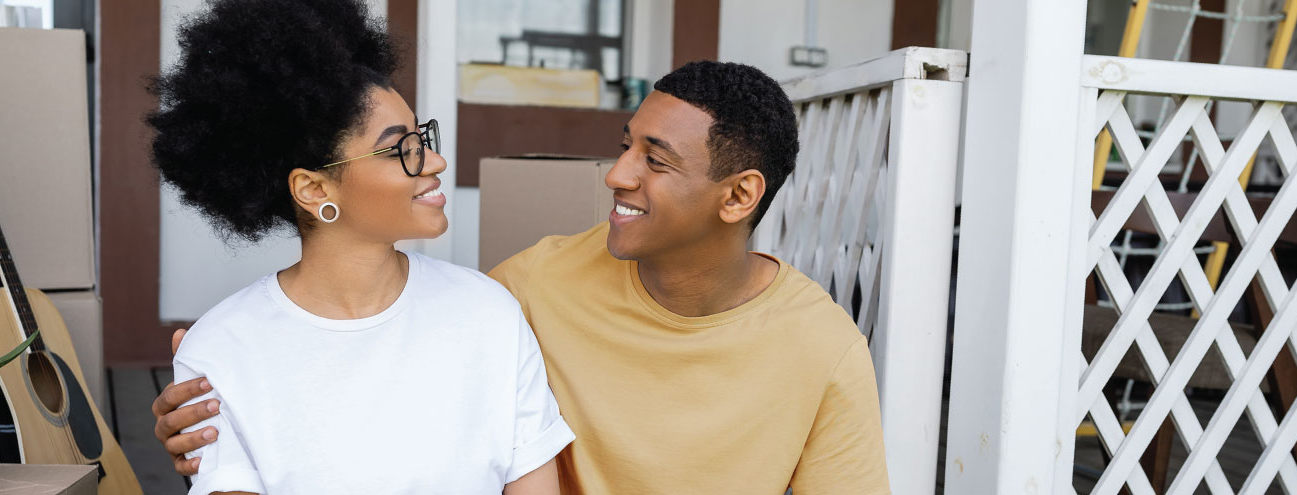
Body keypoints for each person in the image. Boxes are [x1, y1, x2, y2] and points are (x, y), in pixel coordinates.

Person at [154, 60, 890, 493]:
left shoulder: (822, 348)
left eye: (655, 161)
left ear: (739, 196)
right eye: (624, 145)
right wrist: (217, 376)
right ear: (314, 187)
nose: (617, 173)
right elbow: (377, 339)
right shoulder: (527, 289)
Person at [145, 0, 572, 493]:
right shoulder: (221, 349)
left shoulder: (489, 316)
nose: (434, 161)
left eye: (422, 137)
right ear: (315, 189)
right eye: (402, 149)